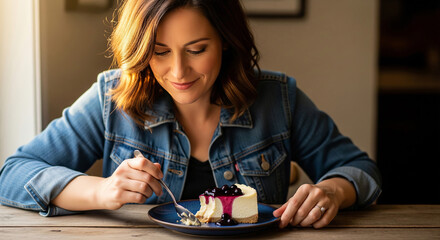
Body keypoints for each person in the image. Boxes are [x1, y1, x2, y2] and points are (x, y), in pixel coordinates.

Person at [0, 0, 381, 229]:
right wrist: (101, 190)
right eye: (160, 51)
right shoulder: (111, 96)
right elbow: (13, 174)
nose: (178, 72)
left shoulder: (278, 99)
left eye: (197, 49)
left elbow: (361, 171)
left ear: (227, 43)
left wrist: (332, 191)